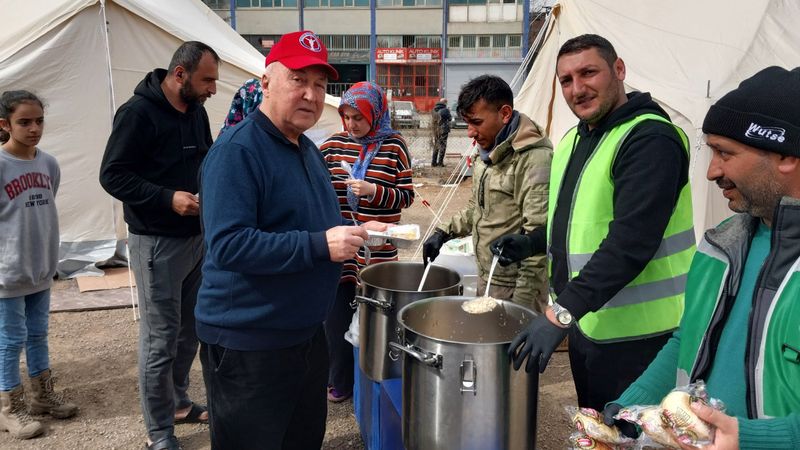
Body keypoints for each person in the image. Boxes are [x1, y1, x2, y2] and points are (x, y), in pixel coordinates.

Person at [196, 30, 386, 449]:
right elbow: (229, 244)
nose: (311, 95)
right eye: (298, 79)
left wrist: (357, 231)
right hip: (250, 342)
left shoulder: (306, 149)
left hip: (303, 335)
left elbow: (315, 220)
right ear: (266, 82)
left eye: (320, 85)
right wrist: (320, 245)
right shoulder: (238, 151)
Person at [491, 34, 695, 411]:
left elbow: (630, 243)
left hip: (642, 337)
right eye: (566, 80)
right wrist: (534, 242)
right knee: (596, 426)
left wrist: (558, 313)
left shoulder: (649, 138)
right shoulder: (574, 138)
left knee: (630, 433)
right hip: (589, 325)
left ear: (618, 70)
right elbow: (576, 222)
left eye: (588, 73)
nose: (577, 89)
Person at [602, 66, 800, 449]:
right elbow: (687, 341)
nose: (712, 172)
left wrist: (751, 439)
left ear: (787, 156)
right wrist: (627, 408)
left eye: (725, 153)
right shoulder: (721, 246)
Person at [99, 41, 219, 450]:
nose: (213, 89)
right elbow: (113, 176)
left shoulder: (197, 112)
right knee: (160, 337)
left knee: (189, 332)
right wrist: (168, 198)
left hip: (195, 239)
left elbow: (205, 159)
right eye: (207, 80)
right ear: (180, 74)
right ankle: (159, 432)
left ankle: (179, 404)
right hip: (156, 244)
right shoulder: (137, 114)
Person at [422, 75, 552, 313]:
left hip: (518, 290)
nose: (470, 133)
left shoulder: (533, 159)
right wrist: (444, 231)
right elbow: (477, 209)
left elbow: (538, 240)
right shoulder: (488, 153)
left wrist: (520, 309)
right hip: (489, 278)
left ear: (504, 114)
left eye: (477, 122)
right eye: (467, 123)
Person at [320, 81, 414, 403]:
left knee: (375, 315)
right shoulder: (332, 146)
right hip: (342, 246)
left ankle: (373, 380)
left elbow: (406, 196)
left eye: (358, 118)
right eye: (346, 117)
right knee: (336, 316)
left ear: (375, 114)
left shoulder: (394, 146)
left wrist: (374, 192)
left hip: (377, 248)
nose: (351, 125)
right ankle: (340, 380)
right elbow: (315, 185)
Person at [0, 91, 77, 440]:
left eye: (39, 121)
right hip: (8, 273)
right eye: (24, 122)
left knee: (38, 333)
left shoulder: (49, 164)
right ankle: (10, 407)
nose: (34, 129)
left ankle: (42, 395)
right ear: (5, 125)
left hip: (41, 268)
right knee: (10, 339)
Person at [431, 97, 452, 166]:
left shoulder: (434, 109)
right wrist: (449, 111)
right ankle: (440, 163)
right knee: (443, 145)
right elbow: (450, 118)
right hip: (443, 129)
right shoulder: (445, 110)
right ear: (445, 103)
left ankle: (433, 162)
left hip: (436, 129)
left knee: (436, 145)